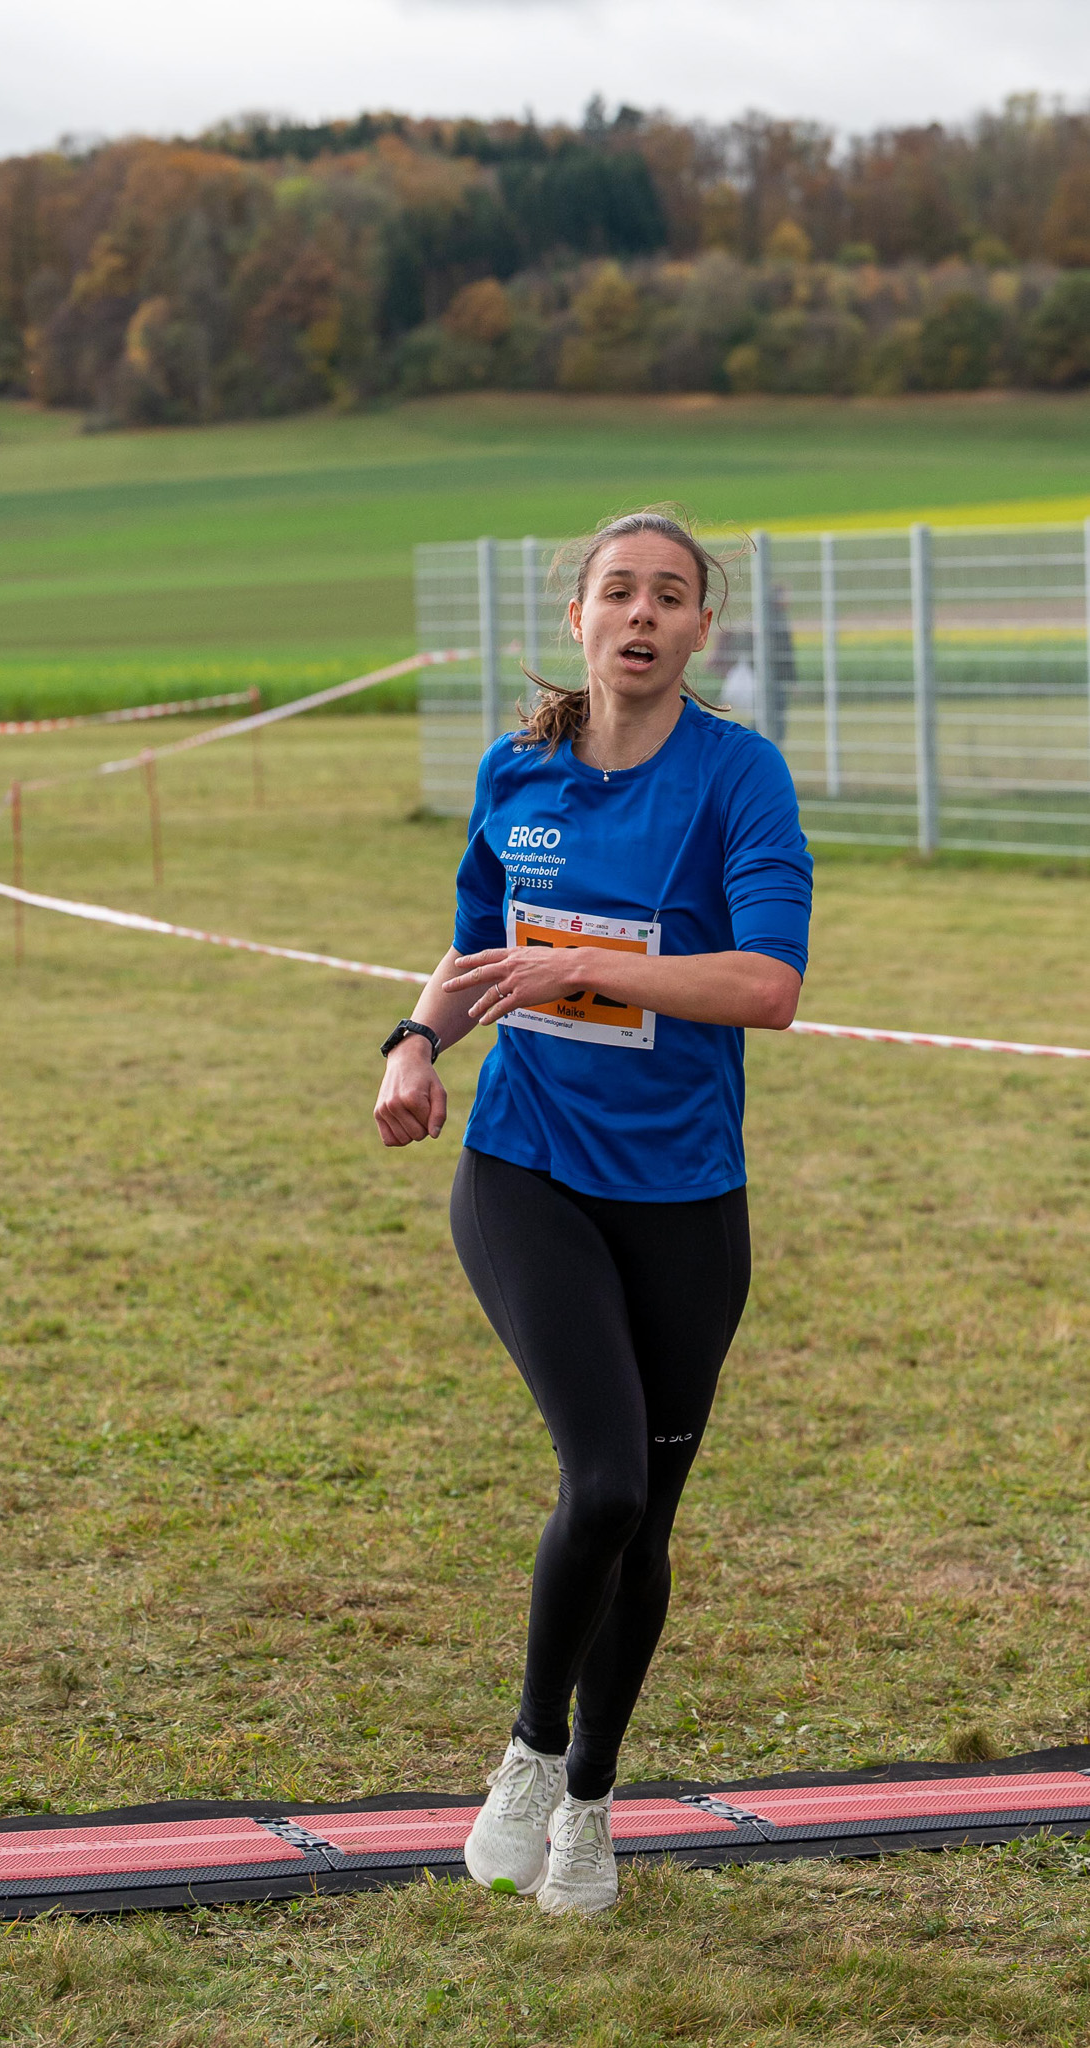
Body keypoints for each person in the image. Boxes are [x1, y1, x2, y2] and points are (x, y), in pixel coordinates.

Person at [373, 511, 812, 1917]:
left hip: (685, 1195)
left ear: (697, 631)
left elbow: (766, 985)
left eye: (669, 596)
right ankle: (527, 1750)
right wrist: (412, 1043)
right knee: (605, 1483)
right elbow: (471, 954)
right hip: (528, 1168)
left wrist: (583, 967)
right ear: (579, 617)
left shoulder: (737, 775)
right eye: (618, 590)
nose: (641, 613)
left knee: (648, 1522)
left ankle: (590, 1800)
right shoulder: (516, 773)